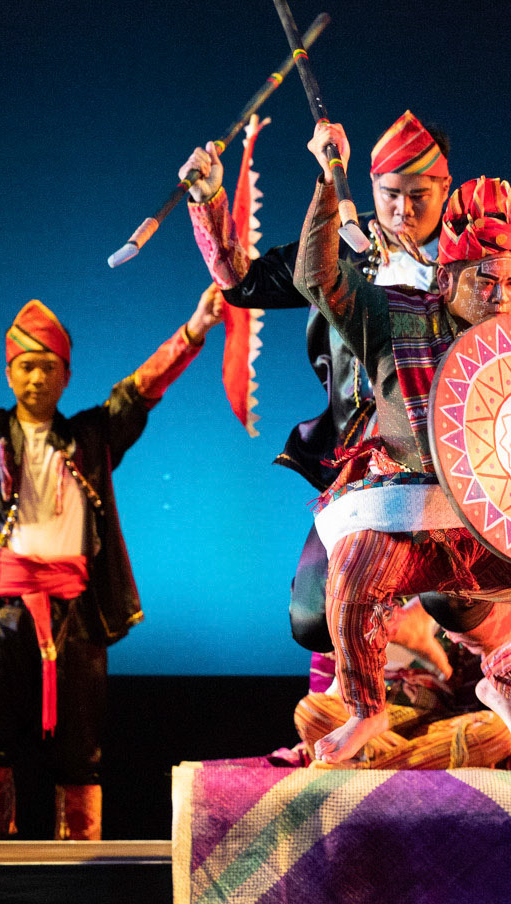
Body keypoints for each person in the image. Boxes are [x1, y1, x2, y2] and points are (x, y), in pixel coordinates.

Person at [290, 120, 511, 765]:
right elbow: (316, 276)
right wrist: (327, 183)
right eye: (484, 281)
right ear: (448, 276)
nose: (501, 297)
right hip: (404, 527)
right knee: (349, 580)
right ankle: (366, 708)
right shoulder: (391, 317)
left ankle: (504, 677)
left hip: (483, 535)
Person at [0, 287, 221, 840]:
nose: (36, 378)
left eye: (48, 367)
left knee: (81, 755)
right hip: (0, 616)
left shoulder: (91, 436)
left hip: (77, 618)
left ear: (66, 375)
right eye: (26, 367)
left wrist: (194, 330)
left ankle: (80, 868)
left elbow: (140, 390)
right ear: (9, 374)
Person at [182, 111, 453, 651]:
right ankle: (387, 647)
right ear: (370, 186)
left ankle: (482, 655)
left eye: (418, 195)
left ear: (445, 190)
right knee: (312, 618)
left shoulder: (466, 261)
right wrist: (209, 198)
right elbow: (243, 284)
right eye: (390, 194)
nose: (402, 210)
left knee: (457, 597)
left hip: (447, 457)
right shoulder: (339, 254)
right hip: (361, 459)